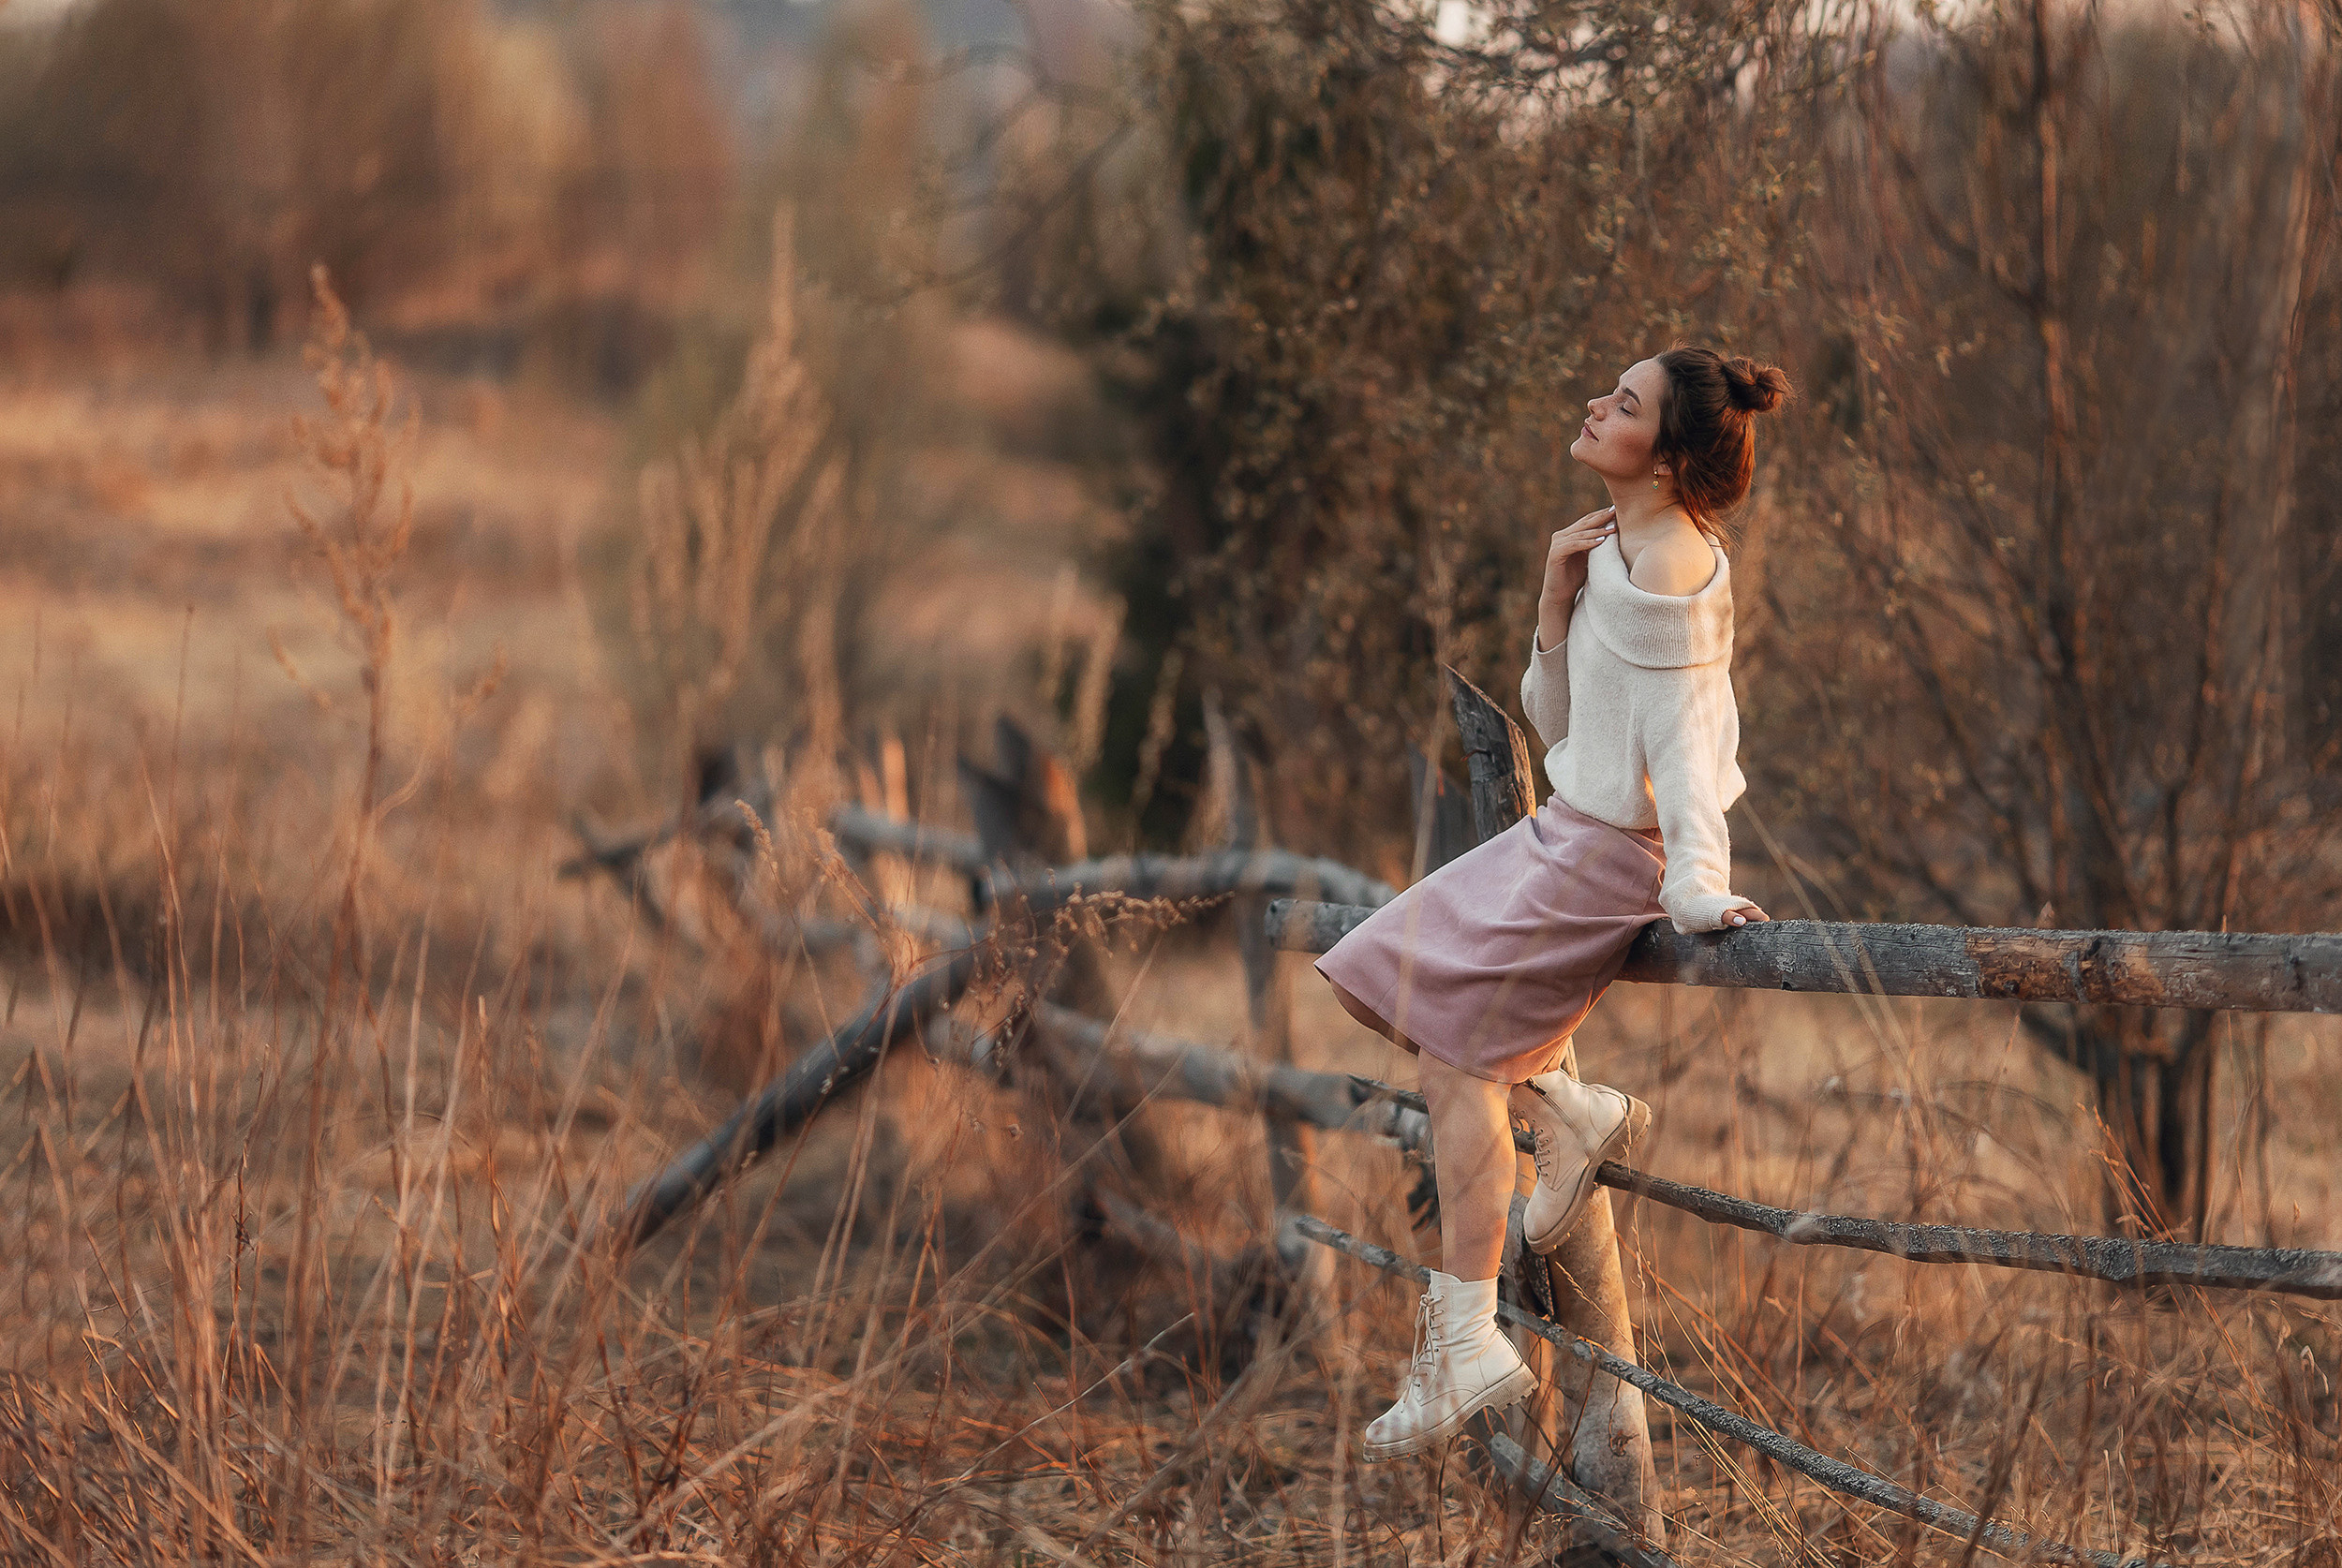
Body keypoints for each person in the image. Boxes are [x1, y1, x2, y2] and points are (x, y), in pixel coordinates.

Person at [1315, 346, 1792, 1460]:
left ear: (1665, 460)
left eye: (1623, 405)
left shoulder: (1673, 568)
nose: (1593, 407)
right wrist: (1554, 597)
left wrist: (1695, 883)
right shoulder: (1617, 546)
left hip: (1608, 857)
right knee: (1372, 971)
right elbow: (1560, 721)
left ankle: (1465, 1341)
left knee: (1455, 1067)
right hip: (1565, 831)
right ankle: (1567, 1114)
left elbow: (1685, 749)